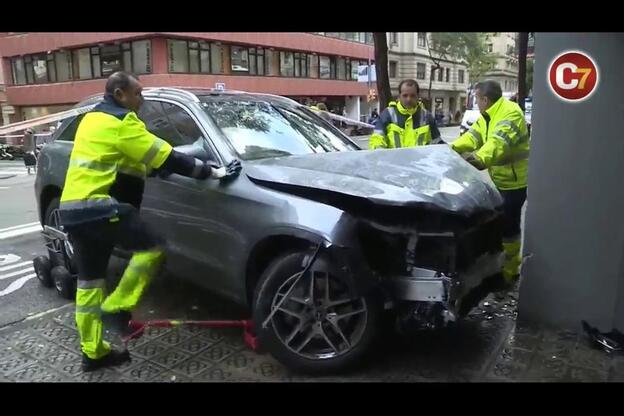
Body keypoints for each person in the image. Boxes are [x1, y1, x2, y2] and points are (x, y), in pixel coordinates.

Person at [59, 71, 241, 372]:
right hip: (100, 208)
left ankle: (92, 353)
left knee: (90, 286)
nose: (141, 99)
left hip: (75, 213)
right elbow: (164, 155)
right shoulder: (122, 121)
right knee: (152, 248)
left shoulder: (93, 120)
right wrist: (211, 172)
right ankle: (117, 310)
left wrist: (163, 167)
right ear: (120, 94)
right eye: (138, 93)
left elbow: (136, 161)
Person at [450, 80, 529, 293]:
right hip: (500, 180)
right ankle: (499, 268)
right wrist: (451, 149)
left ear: (484, 99)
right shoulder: (488, 115)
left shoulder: (509, 114)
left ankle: (510, 272)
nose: (476, 102)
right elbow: (473, 136)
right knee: (498, 224)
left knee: (509, 227)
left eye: (476, 99)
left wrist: (478, 159)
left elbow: (497, 144)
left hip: (515, 182)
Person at [369, 79, 443, 149]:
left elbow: (437, 143)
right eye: (405, 95)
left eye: (412, 95)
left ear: (418, 96)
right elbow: (377, 139)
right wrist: (378, 153)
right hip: (394, 162)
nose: (409, 99)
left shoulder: (427, 117)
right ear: (399, 96)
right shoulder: (387, 114)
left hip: (420, 162)